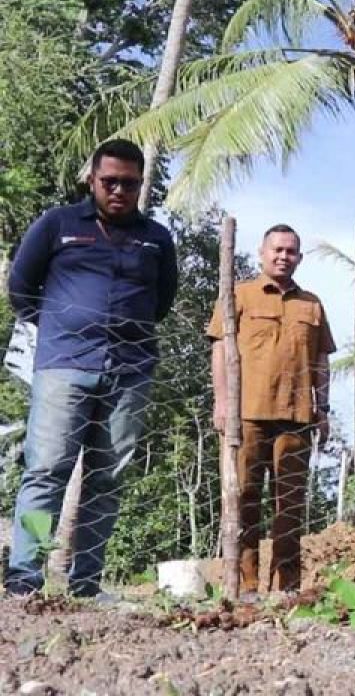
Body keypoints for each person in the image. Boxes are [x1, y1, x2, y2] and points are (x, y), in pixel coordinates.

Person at [5, 139, 178, 597]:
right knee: (46, 471)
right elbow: (22, 289)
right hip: (64, 366)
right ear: (92, 180)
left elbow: (160, 302)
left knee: (107, 478)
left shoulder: (157, 238)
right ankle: (25, 577)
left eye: (130, 183)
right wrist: (66, 328)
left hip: (130, 370)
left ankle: (86, 583)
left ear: (141, 185)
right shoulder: (56, 224)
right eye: (110, 181)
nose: (119, 190)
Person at [207, 224, 335, 594]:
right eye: (277, 250)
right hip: (246, 415)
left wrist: (322, 408)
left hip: (296, 419)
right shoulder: (239, 295)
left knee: (290, 506)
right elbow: (219, 349)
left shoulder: (311, 304)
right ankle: (246, 585)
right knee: (244, 497)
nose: (283, 256)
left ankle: (286, 588)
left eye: (291, 251)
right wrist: (222, 401)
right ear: (262, 253)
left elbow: (321, 360)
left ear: (299, 258)